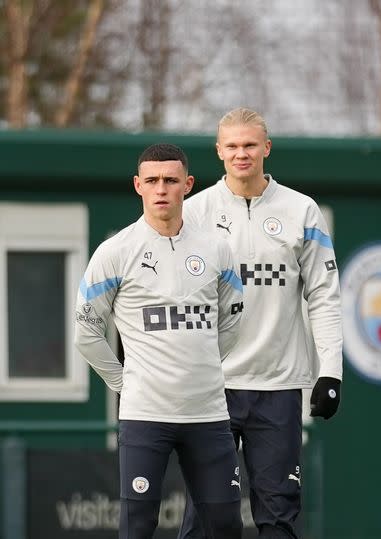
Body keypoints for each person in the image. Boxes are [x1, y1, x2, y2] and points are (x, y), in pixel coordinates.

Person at [178, 108, 343, 539]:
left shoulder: (301, 210)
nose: (241, 154)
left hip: (279, 387)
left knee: (279, 517)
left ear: (266, 148)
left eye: (250, 145)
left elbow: (324, 295)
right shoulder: (194, 213)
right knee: (206, 516)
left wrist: (331, 372)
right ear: (218, 152)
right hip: (212, 387)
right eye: (231, 146)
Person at [74, 143, 244, 539]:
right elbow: (86, 331)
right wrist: (124, 383)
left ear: (188, 184)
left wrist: (201, 366)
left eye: (170, 180)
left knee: (224, 525)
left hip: (208, 414)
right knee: (137, 527)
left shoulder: (217, 248)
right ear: (138, 186)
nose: (161, 189)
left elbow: (233, 320)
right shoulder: (115, 252)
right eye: (152, 181)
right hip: (145, 415)